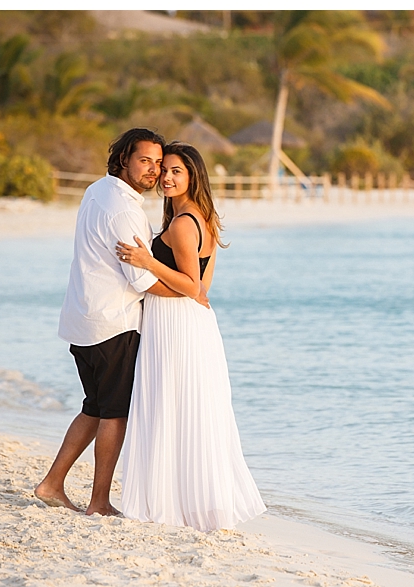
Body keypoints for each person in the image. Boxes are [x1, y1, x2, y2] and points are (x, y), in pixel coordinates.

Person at [34, 127, 208, 516]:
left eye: (158, 163)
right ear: (124, 159)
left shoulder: (97, 190)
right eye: (144, 161)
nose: (153, 171)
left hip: (82, 318)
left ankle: (51, 484)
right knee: (114, 411)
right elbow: (142, 280)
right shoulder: (125, 209)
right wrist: (188, 291)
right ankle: (99, 501)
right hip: (113, 322)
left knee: (94, 406)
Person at [116, 141, 266, 531]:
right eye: (163, 169)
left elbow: (193, 286)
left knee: (174, 409)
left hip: (178, 326)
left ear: (193, 176)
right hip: (190, 324)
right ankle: (188, 504)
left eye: (176, 171)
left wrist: (147, 265)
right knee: (184, 410)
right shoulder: (201, 217)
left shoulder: (184, 224)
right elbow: (202, 292)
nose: (165, 176)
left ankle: (172, 505)